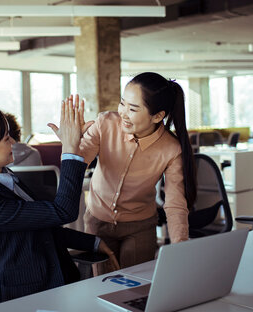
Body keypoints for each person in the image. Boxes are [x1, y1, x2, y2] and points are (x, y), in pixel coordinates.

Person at [0, 98, 118, 304]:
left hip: (54, 282)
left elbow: (42, 227)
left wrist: (94, 242)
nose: (13, 143)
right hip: (26, 296)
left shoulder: (4, 177)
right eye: (6, 139)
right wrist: (70, 151)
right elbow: (63, 211)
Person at [79, 72, 196, 273]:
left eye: (133, 109)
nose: (123, 113)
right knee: (102, 288)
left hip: (139, 227)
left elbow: (175, 203)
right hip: (98, 222)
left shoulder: (171, 148)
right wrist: (71, 142)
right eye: (122, 103)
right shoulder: (105, 123)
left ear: (158, 116)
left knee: (134, 287)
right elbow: (78, 163)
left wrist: (180, 247)